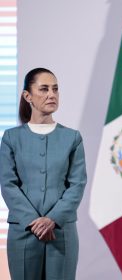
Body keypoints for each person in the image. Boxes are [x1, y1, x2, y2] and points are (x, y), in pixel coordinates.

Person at [0, 68, 87, 280]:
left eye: (55, 89)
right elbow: (8, 183)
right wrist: (33, 220)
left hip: (61, 231)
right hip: (23, 232)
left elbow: (77, 184)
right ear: (27, 96)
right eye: (44, 89)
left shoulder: (72, 138)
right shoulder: (11, 138)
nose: (52, 94)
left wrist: (52, 219)